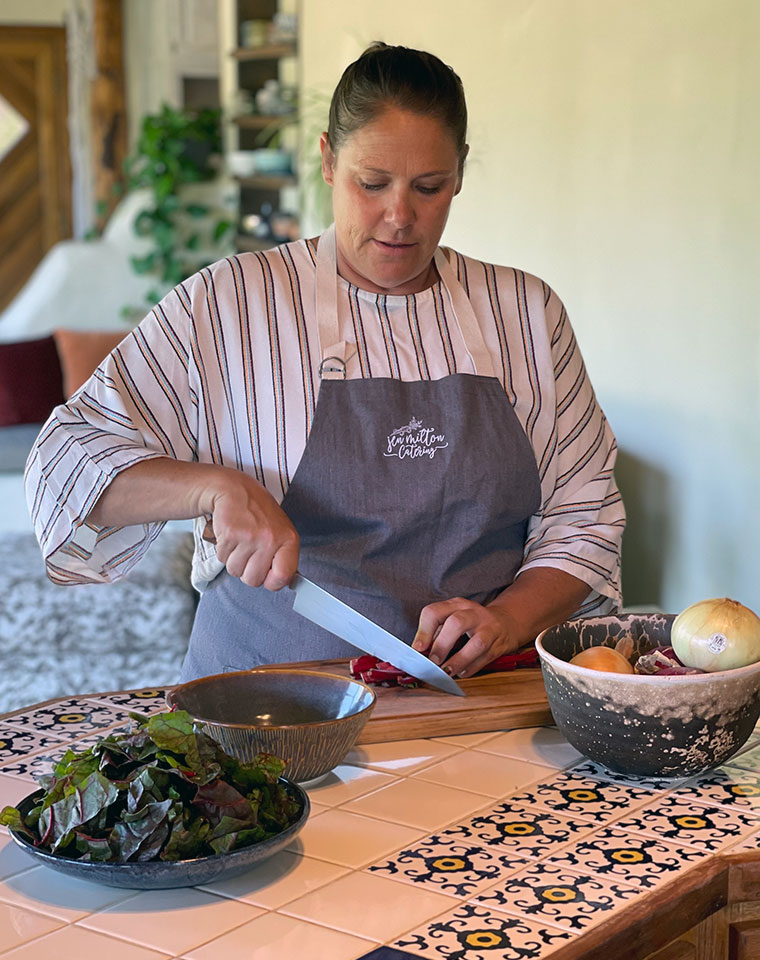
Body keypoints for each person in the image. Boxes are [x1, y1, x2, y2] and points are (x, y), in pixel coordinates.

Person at [26, 43, 625, 683]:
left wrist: (507, 618)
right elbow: (64, 464)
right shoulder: (231, 302)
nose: (400, 217)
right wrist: (216, 487)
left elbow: (584, 515)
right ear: (328, 161)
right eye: (372, 184)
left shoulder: (525, 311)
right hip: (270, 704)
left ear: (460, 172)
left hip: (474, 699)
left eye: (430, 187)